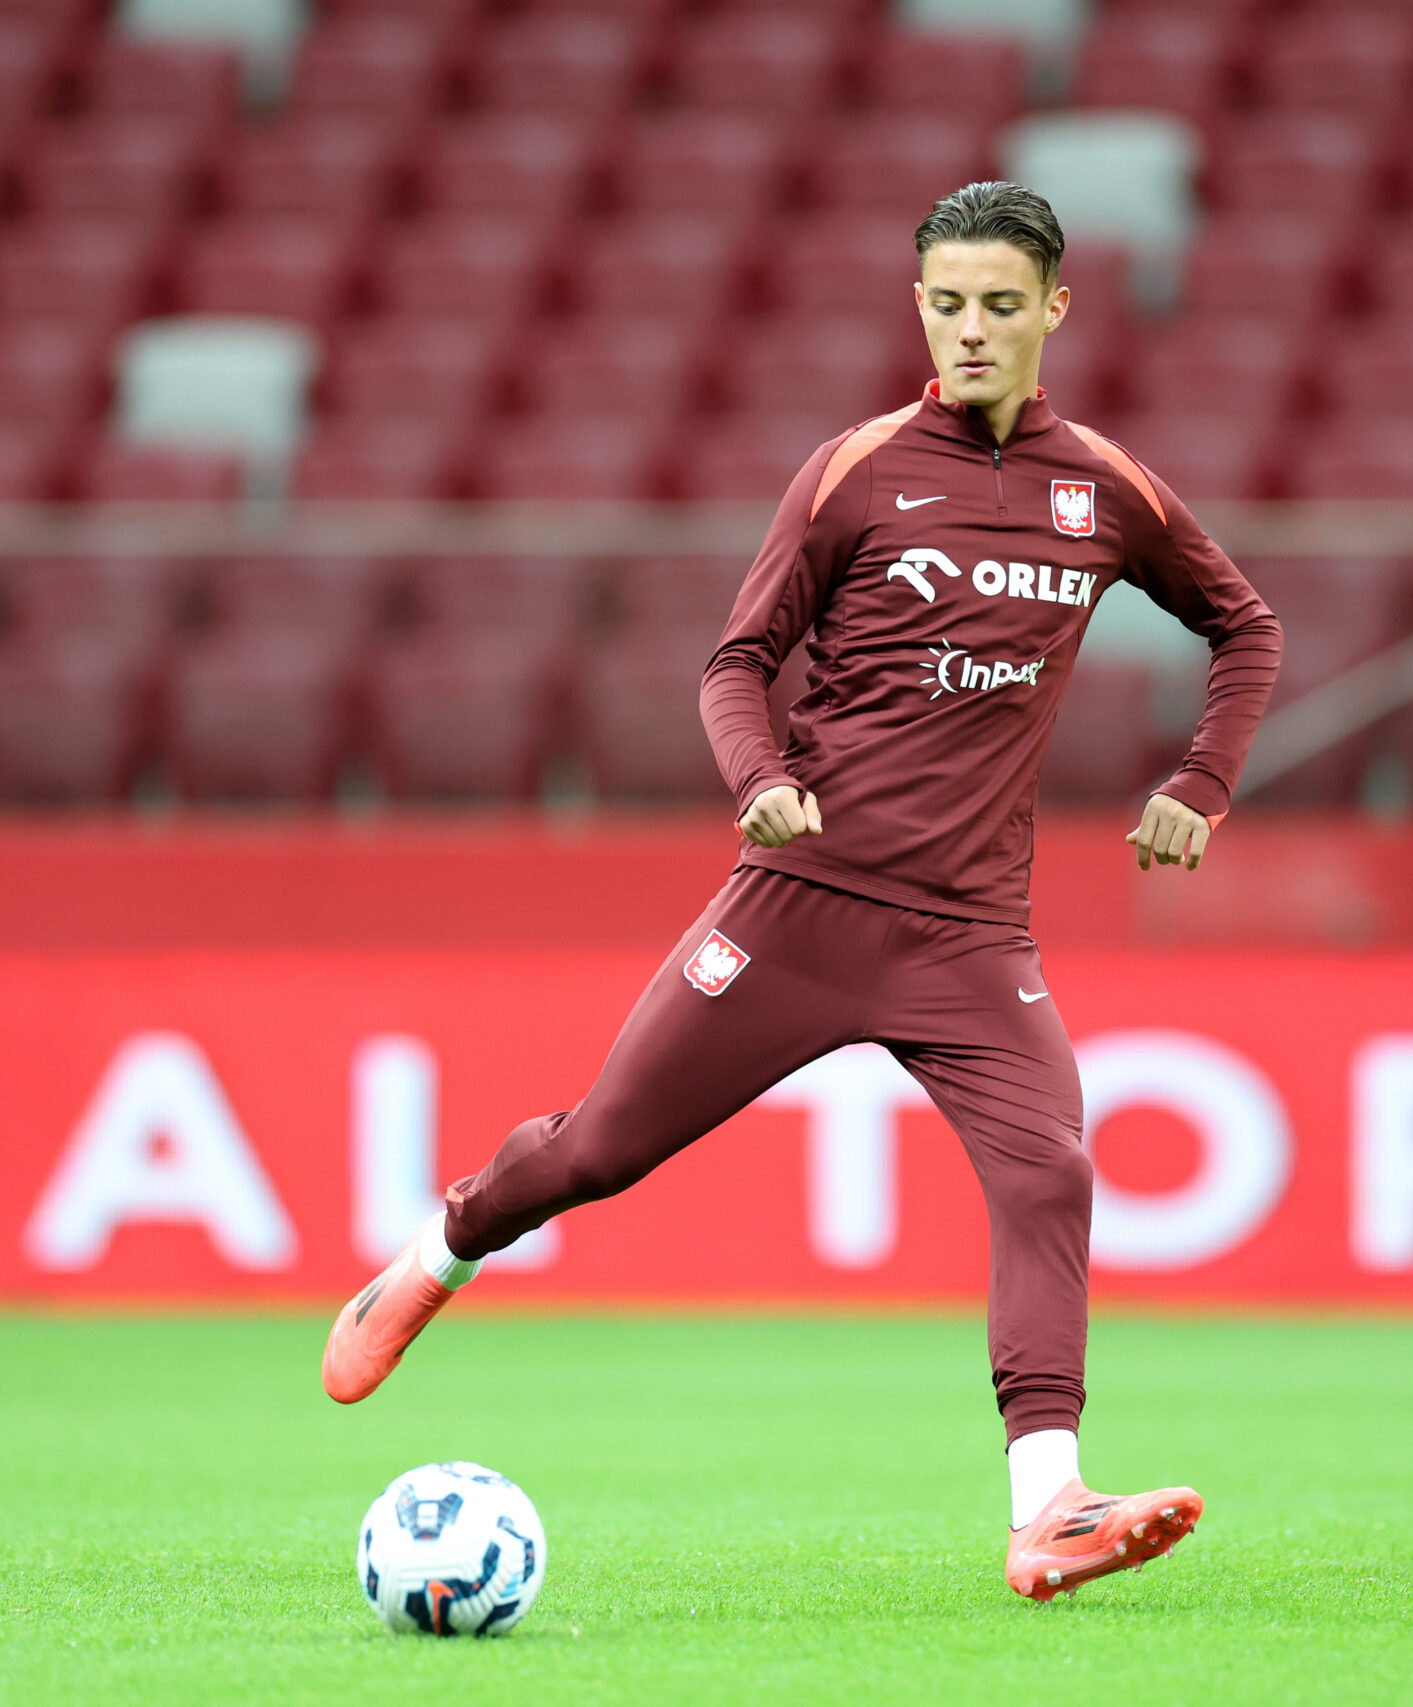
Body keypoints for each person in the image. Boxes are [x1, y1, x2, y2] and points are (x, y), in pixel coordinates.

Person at [323, 181, 1283, 1602]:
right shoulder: (858, 471)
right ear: (921, 310)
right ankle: (440, 1249)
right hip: (799, 908)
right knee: (596, 1153)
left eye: (1000, 306)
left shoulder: (1106, 491)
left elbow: (1243, 627)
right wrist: (756, 771)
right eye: (947, 303)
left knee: (1052, 1177)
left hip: (970, 938)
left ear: (1052, 313)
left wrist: (1199, 784)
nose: (971, 330)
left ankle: (1049, 1505)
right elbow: (734, 661)